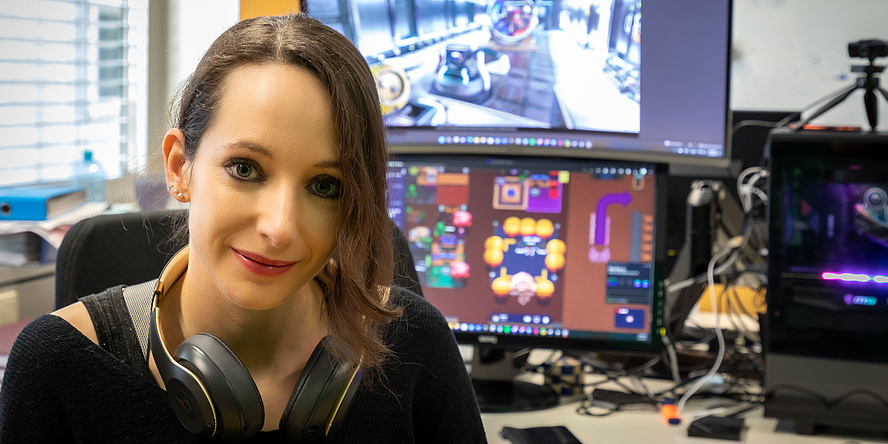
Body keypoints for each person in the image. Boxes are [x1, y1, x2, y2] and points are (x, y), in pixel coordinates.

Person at [0, 14, 486, 443]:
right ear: (179, 167)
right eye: (246, 169)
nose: (279, 228)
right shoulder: (58, 364)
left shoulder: (415, 345)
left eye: (325, 185)